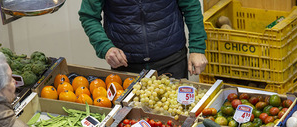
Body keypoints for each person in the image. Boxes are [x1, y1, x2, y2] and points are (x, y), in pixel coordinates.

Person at [79, 0, 208, 79]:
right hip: (126, 66)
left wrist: (197, 48)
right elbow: (89, 16)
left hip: (172, 61)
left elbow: (191, 6)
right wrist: (105, 48)